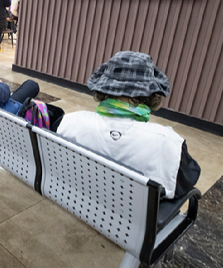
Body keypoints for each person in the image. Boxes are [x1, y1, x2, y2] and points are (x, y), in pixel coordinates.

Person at [57, 51, 201, 199]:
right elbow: (184, 184)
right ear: (151, 94)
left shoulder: (70, 121)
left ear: (104, 87)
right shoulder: (168, 143)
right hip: (132, 218)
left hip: (81, 202)